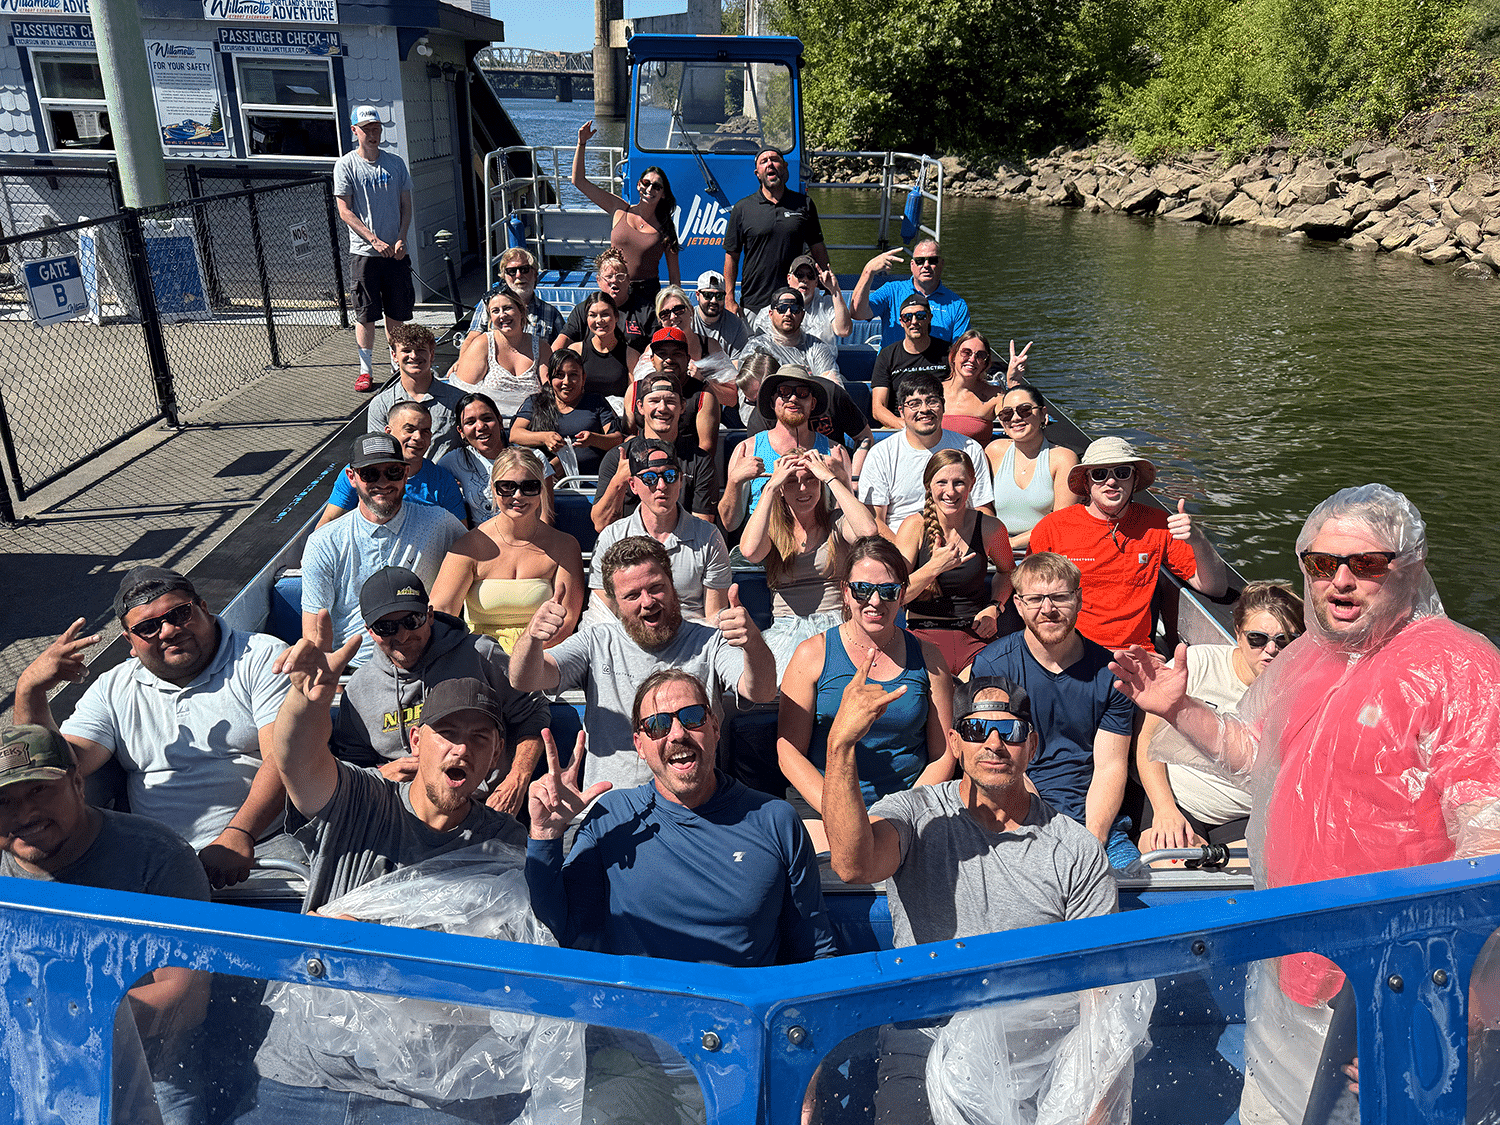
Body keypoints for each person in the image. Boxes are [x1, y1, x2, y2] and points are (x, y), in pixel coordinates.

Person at [1109, 483, 1500, 1125]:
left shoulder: (1458, 668)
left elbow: (1486, 843)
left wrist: (1454, 997)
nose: (1340, 581)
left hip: (1395, 984)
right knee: (1274, 1109)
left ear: (1410, 567)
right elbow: (1254, 753)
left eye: (1365, 564)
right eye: (1321, 565)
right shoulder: (1309, 657)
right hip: (1293, 955)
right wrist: (1178, 709)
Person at [239, 640, 530, 1123]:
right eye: (447, 732)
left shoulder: (507, 845)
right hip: (305, 1073)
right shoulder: (361, 798)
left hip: (429, 1096)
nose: (461, 748)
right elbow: (296, 760)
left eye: (480, 738)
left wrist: (360, 941)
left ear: (497, 753)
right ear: (417, 741)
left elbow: (489, 986)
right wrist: (306, 703)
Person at [820, 673, 1117, 1125]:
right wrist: (841, 746)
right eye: (978, 731)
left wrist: (1095, 1102)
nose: (994, 744)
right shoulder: (917, 814)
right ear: (956, 743)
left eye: (1011, 731)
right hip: (924, 1036)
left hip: (1034, 1054)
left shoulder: (1075, 848)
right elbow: (853, 865)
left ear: (1031, 746)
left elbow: (1101, 988)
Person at [525, 669, 838, 963]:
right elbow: (562, 930)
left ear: (715, 728)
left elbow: (814, 949)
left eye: (692, 717)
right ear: (639, 744)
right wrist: (544, 835)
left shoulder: (776, 819)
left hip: (739, 1016)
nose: (677, 734)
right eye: (658, 724)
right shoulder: (612, 816)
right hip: (641, 1015)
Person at [14, 566, 289, 889]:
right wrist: (30, 690)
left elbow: (285, 757)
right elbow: (58, 766)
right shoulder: (114, 687)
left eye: (180, 614)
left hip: (263, 844)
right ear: (129, 641)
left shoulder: (262, 657)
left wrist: (239, 833)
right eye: (148, 627)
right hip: (151, 857)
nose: (169, 630)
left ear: (204, 609)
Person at [0, 724, 212, 1125]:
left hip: (147, 1075)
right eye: (3, 801)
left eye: (39, 790)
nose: (24, 813)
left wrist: (68, 1024)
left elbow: (188, 997)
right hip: (20, 1070)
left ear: (77, 782)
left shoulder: (156, 857)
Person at [510, 536, 776, 794]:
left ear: (673, 585)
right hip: (614, 807)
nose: (647, 602)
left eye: (656, 587)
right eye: (633, 595)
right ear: (615, 605)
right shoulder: (596, 641)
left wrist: (753, 642)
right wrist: (532, 638)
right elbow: (525, 679)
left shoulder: (709, 641)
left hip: (694, 806)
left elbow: (761, 691)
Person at [331, 567, 548, 817]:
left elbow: (533, 714)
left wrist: (517, 779)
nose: (402, 635)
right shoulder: (359, 688)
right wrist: (380, 776)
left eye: (412, 621)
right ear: (370, 631)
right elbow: (350, 765)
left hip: (486, 807)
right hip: (399, 814)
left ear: (430, 615)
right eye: (386, 627)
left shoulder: (480, 655)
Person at [778, 536, 955, 833]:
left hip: (908, 810)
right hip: (823, 806)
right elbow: (788, 751)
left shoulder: (929, 657)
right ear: (845, 593)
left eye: (888, 591)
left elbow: (943, 755)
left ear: (902, 596)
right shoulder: (812, 655)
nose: (875, 601)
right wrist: (841, 811)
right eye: (863, 589)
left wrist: (901, 813)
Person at [972, 552, 1138, 868]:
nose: (1048, 610)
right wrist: (1049, 838)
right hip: (1016, 817)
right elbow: (1005, 763)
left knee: (1131, 892)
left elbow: (1110, 766)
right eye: (1035, 599)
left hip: (1097, 821)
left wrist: (1091, 841)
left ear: (1078, 599)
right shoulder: (994, 667)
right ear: (1019, 606)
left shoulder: (1109, 673)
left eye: (1060, 597)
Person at [1135, 581, 1303, 851]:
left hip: (1244, 817)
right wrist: (1165, 810)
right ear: (1238, 634)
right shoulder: (1197, 664)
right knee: (1175, 865)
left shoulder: (1301, 691)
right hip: (1179, 802)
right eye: (1257, 639)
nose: (1271, 650)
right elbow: (1145, 742)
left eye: (1284, 641)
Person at [1028, 436, 1228, 648]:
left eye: (1122, 473)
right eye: (1099, 474)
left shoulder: (1158, 524)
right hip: (1069, 649)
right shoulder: (1052, 526)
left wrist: (1198, 540)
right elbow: (1030, 597)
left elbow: (1216, 588)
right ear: (1087, 482)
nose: (1111, 481)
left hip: (1135, 654)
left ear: (1134, 479)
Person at [300, 433, 465, 663]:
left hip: (427, 663)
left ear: (406, 473)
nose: (383, 482)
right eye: (370, 473)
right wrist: (332, 685)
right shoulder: (324, 542)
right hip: (354, 669)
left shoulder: (440, 524)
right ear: (352, 477)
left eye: (393, 472)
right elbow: (314, 630)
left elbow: (485, 562)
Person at [739, 446, 880, 677]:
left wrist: (830, 477)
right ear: (782, 489)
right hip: (787, 629)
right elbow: (750, 551)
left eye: (811, 480)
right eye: (792, 481)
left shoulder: (835, 522)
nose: (803, 488)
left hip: (837, 625)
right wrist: (772, 486)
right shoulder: (773, 530)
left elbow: (868, 531)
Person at [429, 447, 585, 654]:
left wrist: (524, 659)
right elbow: (442, 613)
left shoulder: (564, 546)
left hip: (541, 654)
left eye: (529, 486)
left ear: (542, 490)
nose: (518, 496)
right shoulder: (469, 547)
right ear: (493, 489)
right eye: (507, 487)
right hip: (479, 656)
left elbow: (566, 621)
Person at [896, 449, 1015, 676]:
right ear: (928, 485)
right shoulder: (914, 527)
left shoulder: (990, 527)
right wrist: (934, 567)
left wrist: (994, 606)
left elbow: (1008, 571)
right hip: (923, 637)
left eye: (959, 482)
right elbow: (895, 594)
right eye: (942, 482)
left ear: (972, 484)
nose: (950, 492)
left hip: (974, 637)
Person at [587, 440, 732, 624]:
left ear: (680, 481)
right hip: (630, 642)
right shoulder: (612, 537)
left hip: (692, 643)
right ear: (633, 485)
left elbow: (714, 617)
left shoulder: (709, 537)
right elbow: (600, 617)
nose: (661, 485)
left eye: (670, 475)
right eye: (649, 478)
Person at [333, 105, 412, 391]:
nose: (373, 134)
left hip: (396, 253)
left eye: (376, 129)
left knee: (397, 311)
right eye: (366, 129)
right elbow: (345, 210)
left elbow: (405, 204)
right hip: (365, 254)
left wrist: (402, 237)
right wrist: (373, 240)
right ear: (355, 131)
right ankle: (365, 369)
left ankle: (397, 363)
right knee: (366, 313)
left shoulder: (395, 164)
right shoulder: (345, 165)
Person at [720, 366, 852, 532]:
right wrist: (734, 482)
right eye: (784, 391)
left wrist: (843, 481)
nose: (794, 398)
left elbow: (847, 522)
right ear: (772, 402)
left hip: (819, 549)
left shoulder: (835, 453)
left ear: (813, 403)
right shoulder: (746, 450)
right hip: (764, 547)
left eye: (802, 392)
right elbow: (729, 523)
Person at [857, 372, 995, 525]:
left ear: (943, 406)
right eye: (914, 404)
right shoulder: (881, 454)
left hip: (956, 539)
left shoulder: (970, 450)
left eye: (932, 402)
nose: (924, 410)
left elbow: (982, 508)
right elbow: (875, 521)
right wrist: (901, 548)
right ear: (902, 412)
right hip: (898, 541)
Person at [590, 370, 718, 531]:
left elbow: (702, 527)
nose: (662, 408)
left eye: (670, 401)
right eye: (654, 400)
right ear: (640, 407)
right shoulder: (619, 457)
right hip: (629, 549)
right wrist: (620, 481)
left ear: (683, 406)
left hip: (681, 548)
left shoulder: (700, 460)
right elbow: (601, 524)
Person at [572, 120, 680, 302]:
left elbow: (674, 278)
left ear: (662, 194)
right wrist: (581, 143)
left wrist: (674, 304)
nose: (650, 189)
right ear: (638, 185)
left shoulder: (666, 227)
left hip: (648, 295)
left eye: (656, 186)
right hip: (614, 290)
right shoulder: (619, 209)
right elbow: (579, 181)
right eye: (646, 183)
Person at [317, 401, 466, 527]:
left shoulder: (443, 481)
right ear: (388, 432)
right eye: (410, 429)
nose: (418, 437)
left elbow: (460, 533)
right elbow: (328, 522)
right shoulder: (362, 473)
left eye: (425, 431)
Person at [723, 147, 830, 318]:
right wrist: (729, 298)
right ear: (757, 173)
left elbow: (817, 249)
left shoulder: (804, 204)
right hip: (754, 303)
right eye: (763, 161)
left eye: (774, 159)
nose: (769, 164)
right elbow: (732, 256)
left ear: (785, 166)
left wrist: (828, 288)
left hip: (793, 304)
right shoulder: (742, 208)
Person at [984, 383, 1081, 553]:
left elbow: (1060, 520)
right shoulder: (994, 451)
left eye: (1025, 410)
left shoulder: (1063, 458)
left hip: (1045, 550)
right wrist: (994, 540)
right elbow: (981, 504)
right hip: (996, 550)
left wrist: (1012, 544)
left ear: (1043, 414)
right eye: (1007, 414)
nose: (1015, 419)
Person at [509, 348, 622, 478]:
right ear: (549, 378)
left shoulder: (596, 402)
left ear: (583, 378)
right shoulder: (536, 402)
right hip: (547, 480)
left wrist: (593, 439)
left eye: (573, 375)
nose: (566, 382)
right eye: (559, 375)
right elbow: (515, 434)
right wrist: (545, 438)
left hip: (591, 480)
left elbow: (617, 439)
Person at [447, 284, 551, 420]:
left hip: (531, 422)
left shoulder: (541, 347)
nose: (502, 315)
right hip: (491, 424)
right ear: (490, 318)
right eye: (495, 311)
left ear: (521, 311)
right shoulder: (482, 344)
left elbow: (550, 390)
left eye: (507, 308)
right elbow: (461, 393)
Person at [364, 323, 465, 457]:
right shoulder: (381, 404)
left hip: (446, 475)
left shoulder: (458, 399)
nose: (414, 355)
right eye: (406, 350)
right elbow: (378, 453)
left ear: (432, 354)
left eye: (421, 350)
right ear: (394, 356)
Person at [850, 239, 970, 347]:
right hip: (893, 368)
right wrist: (868, 271)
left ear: (941, 263)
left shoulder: (958, 305)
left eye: (932, 260)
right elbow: (857, 313)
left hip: (935, 370)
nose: (926, 265)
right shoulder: (891, 291)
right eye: (920, 261)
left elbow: (960, 351)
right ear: (912, 265)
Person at [623, 324, 719, 459]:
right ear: (652, 359)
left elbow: (706, 447)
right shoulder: (635, 390)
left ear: (687, 359)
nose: (669, 360)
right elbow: (628, 436)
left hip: (687, 466)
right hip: (644, 465)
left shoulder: (703, 394)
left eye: (677, 354)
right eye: (662, 354)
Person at [868, 292, 950, 430]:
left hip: (940, 423)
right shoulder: (887, 355)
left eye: (920, 316)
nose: (914, 322)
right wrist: (907, 426)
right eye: (907, 317)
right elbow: (878, 408)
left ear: (929, 318)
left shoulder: (948, 352)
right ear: (901, 322)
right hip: (900, 425)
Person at [554, 248, 656, 349]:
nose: (614, 280)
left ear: (628, 280)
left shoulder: (646, 311)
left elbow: (656, 345)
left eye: (620, 276)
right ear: (598, 280)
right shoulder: (584, 309)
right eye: (609, 276)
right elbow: (564, 338)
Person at [941, 329, 1029, 444]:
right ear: (953, 356)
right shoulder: (934, 391)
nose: (972, 359)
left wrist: (1013, 383)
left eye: (980, 355)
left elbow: (1017, 425)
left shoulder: (994, 396)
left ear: (985, 364)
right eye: (966, 352)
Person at [464, 247, 567, 345]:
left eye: (524, 269)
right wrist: (461, 361)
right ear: (504, 277)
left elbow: (564, 349)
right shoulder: (488, 304)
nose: (518, 275)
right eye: (512, 271)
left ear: (535, 274)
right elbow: (472, 337)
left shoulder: (551, 313)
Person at [740, 285, 841, 382]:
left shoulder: (817, 347)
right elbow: (747, 390)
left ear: (802, 315)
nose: (788, 313)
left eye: (795, 309)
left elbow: (832, 385)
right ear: (770, 314)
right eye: (782, 308)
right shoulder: (757, 348)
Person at [437, 391, 508, 525]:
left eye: (487, 418)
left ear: (500, 421)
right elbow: (430, 478)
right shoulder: (455, 460)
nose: (480, 426)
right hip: (481, 541)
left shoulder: (531, 458)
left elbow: (546, 517)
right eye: (470, 422)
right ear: (461, 431)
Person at [749, 253, 852, 344]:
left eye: (810, 276)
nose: (805, 280)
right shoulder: (771, 311)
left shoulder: (827, 304)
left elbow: (844, 331)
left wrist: (835, 290)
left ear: (816, 282)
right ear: (789, 278)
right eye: (799, 275)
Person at [566, 289, 640, 405]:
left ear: (616, 317)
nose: (599, 320)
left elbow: (633, 399)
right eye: (593, 315)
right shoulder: (576, 351)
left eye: (605, 314)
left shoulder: (631, 355)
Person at [692, 269, 750, 355]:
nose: (714, 300)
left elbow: (737, 364)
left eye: (719, 296)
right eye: (708, 295)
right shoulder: (687, 319)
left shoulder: (736, 325)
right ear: (697, 295)